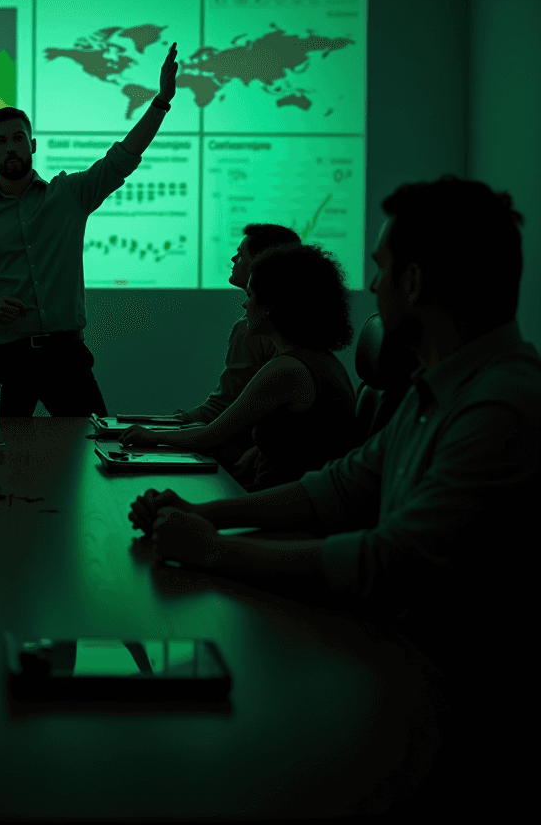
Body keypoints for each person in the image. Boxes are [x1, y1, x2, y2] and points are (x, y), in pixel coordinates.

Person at [128, 176, 538, 817]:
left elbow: (390, 564)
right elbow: (336, 490)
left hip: (446, 715)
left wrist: (213, 551)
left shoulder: (502, 405)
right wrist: (206, 512)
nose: (371, 289)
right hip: (401, 674)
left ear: (414, 282)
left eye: (381, 270)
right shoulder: (440, 389)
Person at [0, 43, 181, 418]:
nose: (11, 147)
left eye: (18, 138)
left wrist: (161, 101)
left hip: (65, 356)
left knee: (92, 447)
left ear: (32, 145)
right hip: (4, 360)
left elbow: (122, 158)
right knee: (1, 457)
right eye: (0, 141)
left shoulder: (69, 195)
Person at [116, 243, 358, 490]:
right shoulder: (320, 359)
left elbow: (210, 436)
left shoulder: (287, 370)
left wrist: (151, 436)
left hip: (276, 511)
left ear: (270, 306)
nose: (245, 306)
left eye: (250, 296)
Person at [163, 222, 301, 476]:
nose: (233, 258)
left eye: (240, 254)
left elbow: (218, 416)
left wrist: (159, 430)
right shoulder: (301, 337)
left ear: (262, 263)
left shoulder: (258, 335)